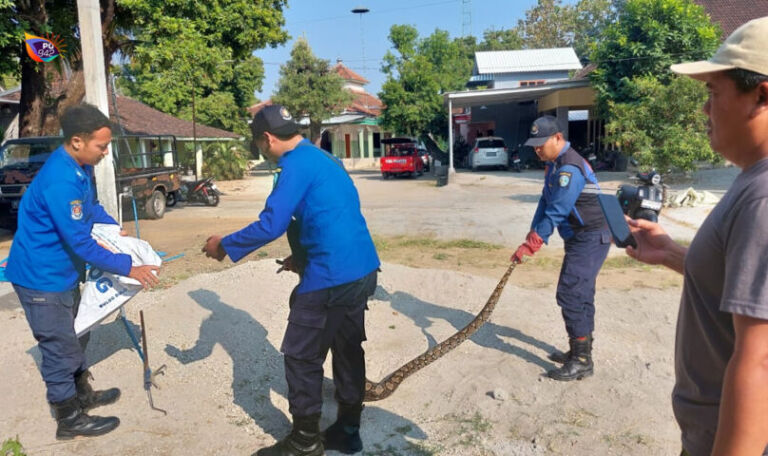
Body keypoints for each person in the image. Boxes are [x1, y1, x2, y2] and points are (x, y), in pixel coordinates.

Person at [202, 104, 380, 456]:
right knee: (347, 349)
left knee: (301, 356)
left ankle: (305, 442)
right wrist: (300, 256)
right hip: (362, 268)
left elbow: (272, 223)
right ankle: (347, 429)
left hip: (331, 275)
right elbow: (322, 211)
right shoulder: (323, 158)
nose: (261, 152)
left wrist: (224, 245)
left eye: (258, 145)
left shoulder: (294, 165)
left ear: (266, 139)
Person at [626, 17, 768, 456]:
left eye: (713, 93)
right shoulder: (752, 180)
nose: (705, 110)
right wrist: (670, 252)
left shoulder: (763, 197)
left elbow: (761, 360)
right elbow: (742, 287)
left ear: (761, 96)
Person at [5, 103, 160, 440]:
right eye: (101, 146)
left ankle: (81, 393)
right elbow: (80, 242)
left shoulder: (80, 167)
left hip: (63, 273)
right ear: (77, 141)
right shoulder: (60, 180)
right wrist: (129, 267)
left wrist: (112, 228)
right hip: (40, 278)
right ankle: (68, 418)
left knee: (78, 331)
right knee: (59, 345)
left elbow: (90, 208)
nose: (106, 153)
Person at [511, 115, 610, 381]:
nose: (537, 149)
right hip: (580, 237)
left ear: (557, 138)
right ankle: (579, 351)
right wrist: (530, 236)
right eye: (534, 145)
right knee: (579, 292)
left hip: (591, 236)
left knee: (571, 293)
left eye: (541, 144)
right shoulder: (554, 165)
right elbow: (545, 202)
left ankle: (582, 360)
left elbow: (557, 210)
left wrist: (532, 245)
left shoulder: (569, 169)